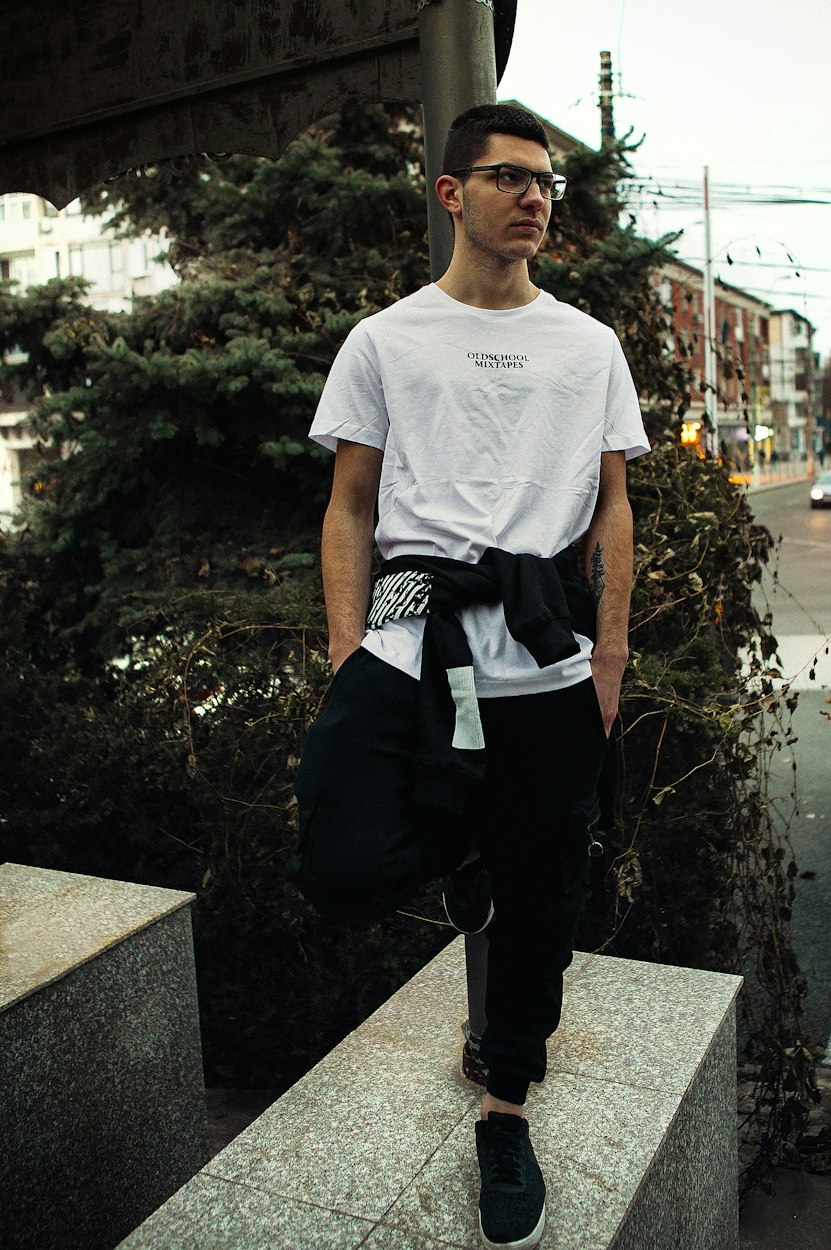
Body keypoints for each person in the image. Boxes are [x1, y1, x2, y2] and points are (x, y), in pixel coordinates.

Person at [290, 103, 648, 1250]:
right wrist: (350, 648)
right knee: (342, 860)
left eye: (547, 182)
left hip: (543, 662)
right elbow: (349, 505)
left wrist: (609, 655)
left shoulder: (588, 344)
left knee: (544, 906)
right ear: (451, 194)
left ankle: (505, 1107)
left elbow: (613, 508)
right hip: (412, 643)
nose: (535, 196)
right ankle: (476, 848)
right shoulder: (386, 338)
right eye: (508, 177)